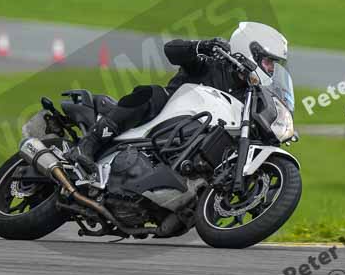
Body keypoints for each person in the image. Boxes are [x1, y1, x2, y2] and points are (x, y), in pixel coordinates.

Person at [69, 21, 288, 173]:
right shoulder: (214, 63)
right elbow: (171, 50)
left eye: (273, 64)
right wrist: (201, 46)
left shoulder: (250, 94)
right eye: (269, 61)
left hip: (194, 144)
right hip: (166, 117)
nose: (270, 69)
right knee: (152, 94)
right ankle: (88, 144)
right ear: (252, 52)